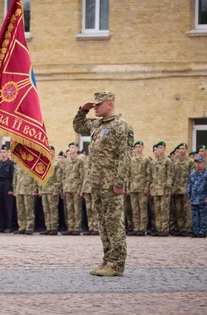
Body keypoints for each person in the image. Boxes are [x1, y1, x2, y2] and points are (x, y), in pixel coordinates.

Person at [73, 91, 133, 277]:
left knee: (114, 223)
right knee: (103, 223)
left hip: (111, 184)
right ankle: (107, 260)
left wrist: (119, 182)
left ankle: (117, 263)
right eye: (94, 104)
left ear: (110, 104)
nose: (95, 107)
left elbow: (125, 157)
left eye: (98, 104)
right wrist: (82, 110)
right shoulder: (97, 124)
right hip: (97, 184)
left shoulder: (121, 126)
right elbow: (78, 126)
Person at [149, 141, 173, 236]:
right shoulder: (153, 162)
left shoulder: (167, 161)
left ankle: (164, 229)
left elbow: (170, 175)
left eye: (161, 148)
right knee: (157, 210)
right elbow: (151, 176)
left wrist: (168, 188)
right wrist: (151, 188)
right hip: (155, 189)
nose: (159, 150)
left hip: (164, 189)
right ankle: (158, 229)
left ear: (164, 149)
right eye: (158, 148)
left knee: (164, 210)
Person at [187, 156, 207, 238]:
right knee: (195, 216)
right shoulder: (192, 174)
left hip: (203, 199)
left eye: (200, 163)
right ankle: (196, 231)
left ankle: (202, 232)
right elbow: (189, 186)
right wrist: (189, 197)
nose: (198, 165)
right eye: (196, 163)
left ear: (204, 164)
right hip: (194, 198)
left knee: (203, 216)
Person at [128, 141, 151, 236]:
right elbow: (128, 175)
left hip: (142, 188)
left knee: (143, 209)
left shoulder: (146, 160)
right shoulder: (131, 160)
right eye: (136, 147)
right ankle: (136, 227)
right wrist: (128, 187)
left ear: (142, 148)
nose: (138, 148)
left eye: (139, 146)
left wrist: (147, 188)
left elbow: (148, 175)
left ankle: (142, 228)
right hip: (133, 188)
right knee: (135, 209)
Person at [39, 146, 63, 235]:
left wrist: (56, 189)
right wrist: (40, 189)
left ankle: (54, 227)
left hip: (52, 189)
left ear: (53, 152)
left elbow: (59, 177)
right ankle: (48, 227)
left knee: (53, 209)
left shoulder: (56, 163)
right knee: (46, 209)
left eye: (50, 151)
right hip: (45, 189)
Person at [61, 142, 84, 235]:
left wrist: (80, 188)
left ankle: (77, 228)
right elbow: (64, 175)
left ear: (77, 149)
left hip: (76, 188)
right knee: (69, 209)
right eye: (70, 147)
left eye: (73, 147)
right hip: (68, 187)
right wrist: (63, 188)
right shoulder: (67, 161)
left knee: (77, 208)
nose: (71, 149)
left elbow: (82, 175)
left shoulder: (80, 161)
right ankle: (70, 227)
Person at [0, 145, 15, 233]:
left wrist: (11, 189)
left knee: (8, 207)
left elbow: (13, 177)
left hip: (7, 184)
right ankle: (1, 225)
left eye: (4, 152)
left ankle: (8, 226)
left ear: (7, 153)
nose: (3, 154)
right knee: (0, 206)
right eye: (1, 152)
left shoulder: (10, 164)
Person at [13, 164, 38, 235]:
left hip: (28, 191)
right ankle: (22, 227)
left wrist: (34, 190)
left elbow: (35, 179)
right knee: (20, 210)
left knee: (29, 209)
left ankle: (29, 228)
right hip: (19, 190)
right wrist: (15, 189)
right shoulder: (18, 166)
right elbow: (15, 178)